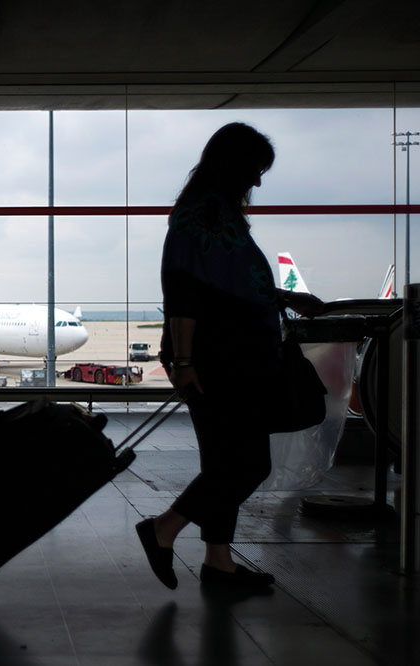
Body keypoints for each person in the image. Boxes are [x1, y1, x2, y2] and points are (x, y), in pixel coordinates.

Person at [136, 123, 323, 590]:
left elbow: (229, 285)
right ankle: (163, 529)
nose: (257, 181)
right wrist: (184, 362)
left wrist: (284, 297)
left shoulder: (214, 213)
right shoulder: (203, 215)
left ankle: (219, 562)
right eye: (255, 169)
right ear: (232, 165)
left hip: (228, 355)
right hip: (222, 359)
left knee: (224, 460)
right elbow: (184, 291)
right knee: (247, 464)